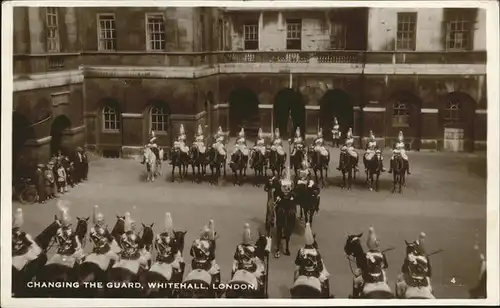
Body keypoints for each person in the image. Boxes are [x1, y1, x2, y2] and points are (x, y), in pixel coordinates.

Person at [294, 223, 330, 296]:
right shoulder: (316, 252)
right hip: (314, 274)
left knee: (295, 278)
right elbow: (320, 268)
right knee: (326, 280)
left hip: (302, 273)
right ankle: (327, 298)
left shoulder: (300, 251)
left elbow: (297, 265)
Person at [232, 223, 266, 289]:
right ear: (249, 237)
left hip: (240, 270)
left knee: (233, 273)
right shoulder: (253, 249)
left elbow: (235, 260)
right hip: (250, 271)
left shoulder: (239, 247)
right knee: (260, 277)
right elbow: (257, 260)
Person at [190, 220, 220, 285]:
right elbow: (212, 257)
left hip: (194, 265)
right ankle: (217, 289)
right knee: (216, 270)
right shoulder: (209, 243)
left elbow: (191, 253)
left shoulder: (195, 242)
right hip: (206, 266)